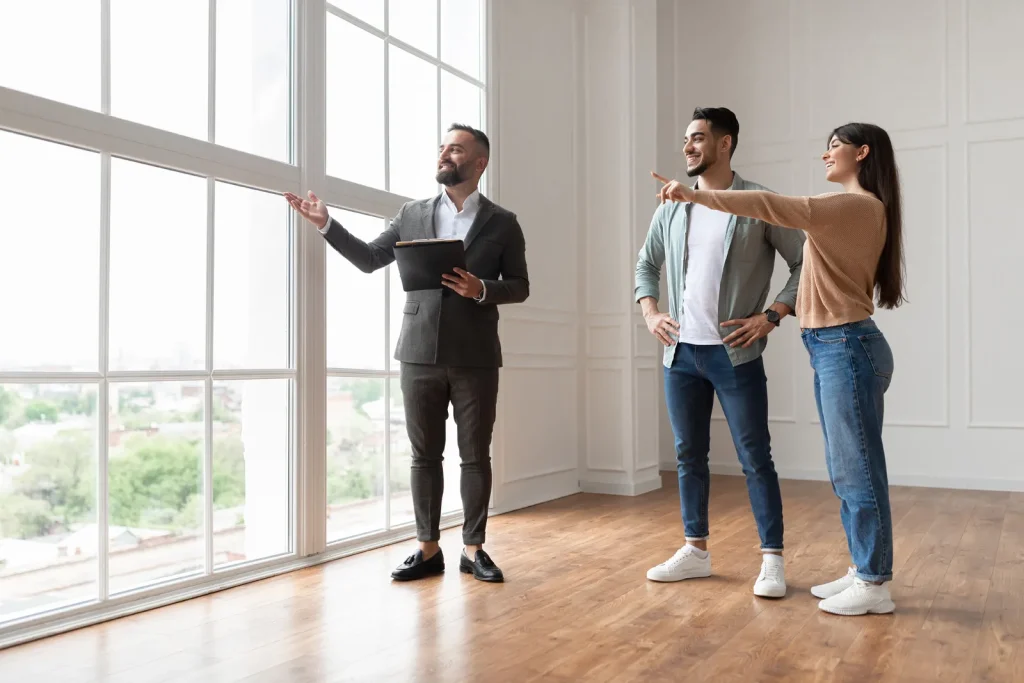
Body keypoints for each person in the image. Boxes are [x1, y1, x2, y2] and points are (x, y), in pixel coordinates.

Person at [652, 121, 905, 616]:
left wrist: (696, 196)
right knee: (845, 469)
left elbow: (769, 205)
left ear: (862, 153)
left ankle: (874, 582)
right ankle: (863, 566)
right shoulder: (854, 210)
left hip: (846, 345)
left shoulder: (852, 205)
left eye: (835, 147)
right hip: (836, 346)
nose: (826, 154)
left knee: (857, 471)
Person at [286, 124, 529, 583]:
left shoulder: (503, 222)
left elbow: (519, 286)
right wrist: (326, 224)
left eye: (455, 149)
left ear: (480, 163)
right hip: (418, 353)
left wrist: (481, 288)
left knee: (475, 455)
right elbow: (368, 258)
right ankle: (428, 548)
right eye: (442, 148)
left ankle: (473, 549)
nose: (444, 155)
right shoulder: (411, 214)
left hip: (476, 354)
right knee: (424, 456)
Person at [635, 107, 805, 598]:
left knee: (755, 457)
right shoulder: (671, 207)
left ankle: (772, 560)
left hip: (735, 356)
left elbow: (805, 262)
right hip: (681, 355)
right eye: (686, 139)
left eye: (698, 138)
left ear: (725, 143)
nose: (687, 147)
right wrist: (651, 312)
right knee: (689, 455)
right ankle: (695, 550)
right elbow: (646, 264)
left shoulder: (758, 203)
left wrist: (771, 315)